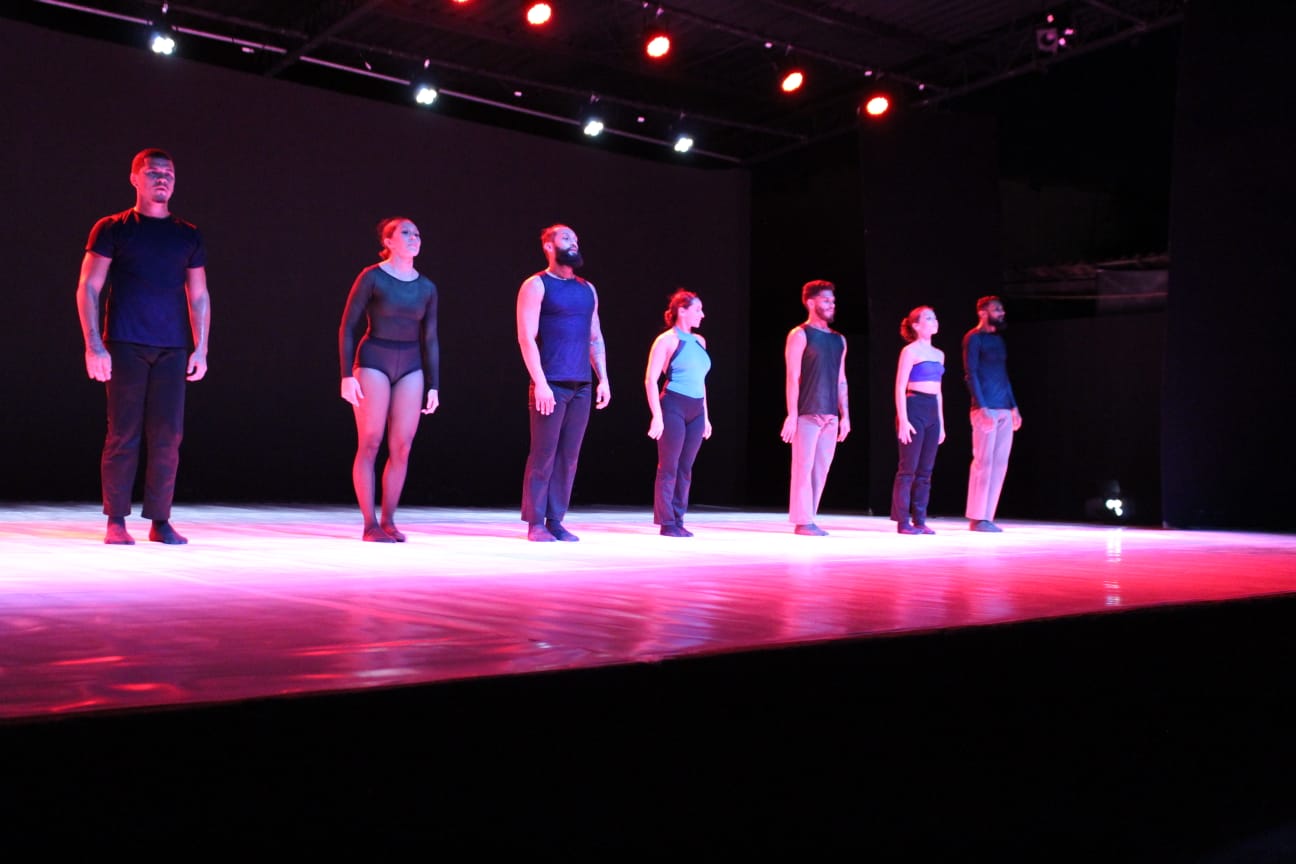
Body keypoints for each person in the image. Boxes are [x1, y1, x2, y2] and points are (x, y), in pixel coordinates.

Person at [76, 148, 211, 545]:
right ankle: (116, 519)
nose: (162, 178)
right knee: (123, 433)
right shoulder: (113, 228)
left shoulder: (187, 234)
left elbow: (199, 295)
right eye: (153, 172)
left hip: (173, 347)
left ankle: (160, 520)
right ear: (135, 178)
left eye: (168, 173)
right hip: (125, 343)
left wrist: (201, 347)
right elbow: (89, 287)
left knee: (169, 436)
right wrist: (93, 345)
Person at [338, 218, 440, 542]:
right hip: (374, 360)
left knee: (402, 446)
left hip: (410, 364)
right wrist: (346, 375)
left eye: (417, 233)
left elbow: (431, 338)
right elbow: (347, 326)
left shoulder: (427, 287)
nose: (414, 238)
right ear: (388, 241)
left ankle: (389, 521)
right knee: (370, 441)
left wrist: (434, 384)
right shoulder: (372, 276)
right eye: (405, 233)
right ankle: (370, 524)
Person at [516, 224, 610, 542]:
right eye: (566, 237)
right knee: (543, 455)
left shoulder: (587, 289)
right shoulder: (536, 285)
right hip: (551, 382)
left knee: (569, 456)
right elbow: (526, 337)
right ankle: (535, 523)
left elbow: (595, 337)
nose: (574, 242)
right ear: (548, 246)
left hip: (581, 384)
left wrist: (603, 379)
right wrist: (540, 382)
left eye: (576, 238)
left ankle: (555, 519)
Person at [780, 280, 850, 536]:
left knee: (821, 469)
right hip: (808, 412)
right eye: (825, 300)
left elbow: (841, 379)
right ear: (811, 302)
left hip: (830, 414)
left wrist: (845, 415)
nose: (831, 304)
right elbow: (793, 376)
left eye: (833, 300)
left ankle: (809, 518)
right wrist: (792, 414)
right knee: (803, 467)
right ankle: (803, 521)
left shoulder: (839, 339)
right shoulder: (800, 334)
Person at [645, 290, 712, 537]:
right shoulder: (666, 341)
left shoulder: (700, 341)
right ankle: (667, 522)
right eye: (698, 310)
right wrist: (657, 415)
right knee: (669, 466)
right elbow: (650, 380)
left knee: (686, 467)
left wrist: (706, 416)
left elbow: (701, 381)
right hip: (673, 405)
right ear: (682, 311)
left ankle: (678, 518)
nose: (702, 315)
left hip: (696, 409)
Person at [963, 295, 1022, 532]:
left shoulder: (999, 340)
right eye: (996, 309)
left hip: (1004, 407)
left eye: (1001, 309)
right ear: (982, 312)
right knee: (984, 462)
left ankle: (988, 516)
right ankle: (977, 517)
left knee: (1000, 463)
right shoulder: (973, 338)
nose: (1001, 313)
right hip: (984, 408)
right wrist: (982, 405)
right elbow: (971, 373)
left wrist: (1014, 406)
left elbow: (1004, 375)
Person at [891, 306, 946, 534]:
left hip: (932, 409)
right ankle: (903, 521)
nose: (934, 321)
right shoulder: (910, 351)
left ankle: (920, 520)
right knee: (908, 469)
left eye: (935, 317)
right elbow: (899, 386)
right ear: (916, 325)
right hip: (914, 407)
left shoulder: (939, 354)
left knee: (926, 471)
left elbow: (939, 392)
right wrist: (903, 419)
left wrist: (941, 424)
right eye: (928, 318)